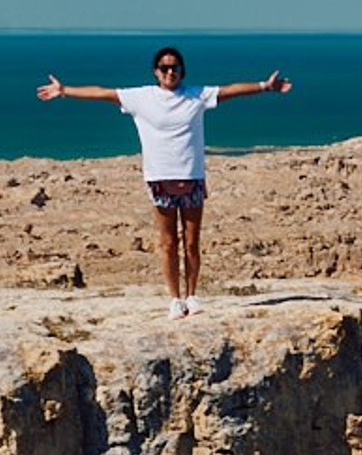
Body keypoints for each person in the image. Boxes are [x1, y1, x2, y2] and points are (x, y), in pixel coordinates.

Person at [37, 48, 292, 315]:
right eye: (164, 67)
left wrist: (265, 86)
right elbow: (103, 93)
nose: (170, 72)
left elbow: (231, 90)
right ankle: (174, 299)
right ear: (155, 71)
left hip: (191, 178)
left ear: (182, 70)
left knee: (192, 242)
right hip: (159, 180)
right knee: (168, 243)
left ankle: (192, 296)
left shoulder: (197, 95)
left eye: (175, 67)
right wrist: (64, 90)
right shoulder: (141, 97)